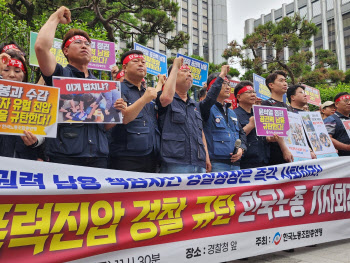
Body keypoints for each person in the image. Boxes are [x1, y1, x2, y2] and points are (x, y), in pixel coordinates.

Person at [34, 6, 126, 168]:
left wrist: (118, 111)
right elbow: (41, 47)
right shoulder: (59, 75)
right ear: (65, 50)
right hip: (65, 155)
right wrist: (56, 17)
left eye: (87, 44)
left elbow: (105, 125)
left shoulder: (104, 86)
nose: (84, 46)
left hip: (99, 155)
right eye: (78, 42)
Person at [155, 58, 227, 173]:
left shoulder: (195, 105)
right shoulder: (166, 99)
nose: (189, 74)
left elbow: (201, 132)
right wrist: (175, 67)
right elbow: (167, 98)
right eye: (183, 71)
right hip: (174, 163)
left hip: (198, 162)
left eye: (190, 72)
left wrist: (206, 157)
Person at [109, 50, 160, 172]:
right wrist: (144, 99)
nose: (141, 64)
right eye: (136, 61)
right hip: (126, 158)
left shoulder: (146, 92)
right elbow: (124, 118)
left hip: (152, 155)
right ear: (125, 67)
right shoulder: (116, 88)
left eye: (143, 62)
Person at [0, 50, 44, 160]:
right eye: (6, 70)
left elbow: (44, 128)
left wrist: (35, 141)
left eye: (17, 71)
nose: (11, 75)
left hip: (24, 160)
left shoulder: (35, 97)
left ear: (24, 74)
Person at [203, 73, 247, 172]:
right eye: (224, 83)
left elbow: (242, 133)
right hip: (216, 164)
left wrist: (241, 149)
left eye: (229, 84)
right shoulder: (205, 108)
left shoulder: (231, 112)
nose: (228, 87)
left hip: (235, 164)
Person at [233, 81, 270, 169]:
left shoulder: (259, 113)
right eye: (249, 92)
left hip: (264, 160)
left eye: (254, 92)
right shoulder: (233, 114)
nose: (253, 95)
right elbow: (235, 137)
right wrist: (250, 125)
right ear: (239, 97)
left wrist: (269, 139)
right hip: (246, 162)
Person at [261, 70, 293, 164]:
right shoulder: (266, 104)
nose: (285, 83)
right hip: (277, 154)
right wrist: (284, 149)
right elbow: (274, 131)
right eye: (281, 81)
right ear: (271, 85)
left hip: (293, 151)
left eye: (285, 81)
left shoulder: (288, 107)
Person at [287, 84, 317, 159]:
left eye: (305, 93)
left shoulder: (309, 115)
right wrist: (309, 150)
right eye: (301, 92)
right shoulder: (289, 113)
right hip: (300, 155)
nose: (305, 95)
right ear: (292, 97)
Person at [324, 92, 350, 156]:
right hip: (341, 160)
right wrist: (347, 147)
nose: (349, 103)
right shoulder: (331, 119)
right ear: (337, 104)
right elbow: (327, 138)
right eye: (346, 101)